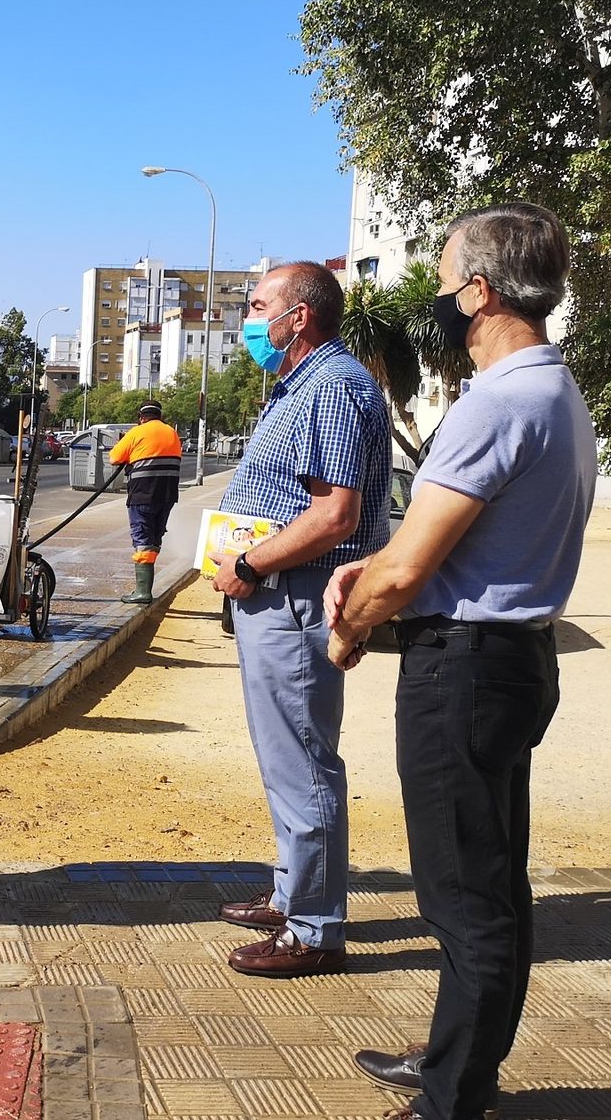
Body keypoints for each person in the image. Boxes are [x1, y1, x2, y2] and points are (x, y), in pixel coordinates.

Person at [324, 203, 595, 1120]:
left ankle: (451, 1099)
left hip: (465, 670)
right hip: (511, 660)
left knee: (464, 896)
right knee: (490, 881)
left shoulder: (497, 400)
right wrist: (385, 573)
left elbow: (405, 570)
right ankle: (454, 1061)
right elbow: (451, 542)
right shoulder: (557, 389)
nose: (439, 300)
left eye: (444, 284)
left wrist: (352, 622)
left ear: (477, 292)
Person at [208, 261, 391, 977]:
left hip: (295, 595)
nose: (250, 320)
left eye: (258, 306)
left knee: (304, 763)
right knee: (285, 756)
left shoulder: (333, 388)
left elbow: (334, 513)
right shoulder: (304, 385)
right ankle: (294, 894)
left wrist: (251, 566)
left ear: (300, 316)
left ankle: (314, 929)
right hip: (277, 594)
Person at [107, 400, 183, 604]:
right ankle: (145, 588)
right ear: (160, 416)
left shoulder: (136, 432)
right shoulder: (171, 433)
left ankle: (143, 592)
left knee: (142, 539)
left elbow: (114, 458)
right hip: (167, 495)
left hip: (142, 494)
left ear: (141, 418)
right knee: (155, 537)